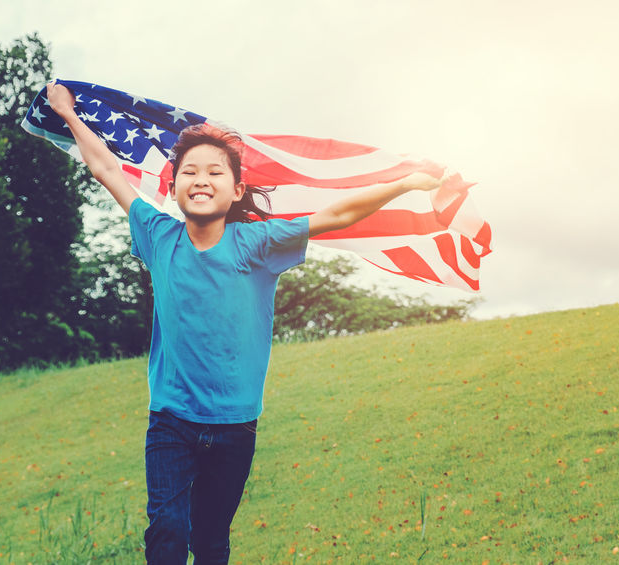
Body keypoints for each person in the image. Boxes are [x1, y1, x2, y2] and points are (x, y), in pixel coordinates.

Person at [46, 80, 443, 564]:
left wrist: (404, 184)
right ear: (173, 187)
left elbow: (337, 214)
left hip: (235, 426)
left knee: (211, 539)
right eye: (189, 171)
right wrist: (68, 114)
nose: (201, 179)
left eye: (215, 171)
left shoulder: (258, 245)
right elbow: (106, 166)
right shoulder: (157, 234)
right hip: (170, 421)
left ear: (236, 190)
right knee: (168, 530)